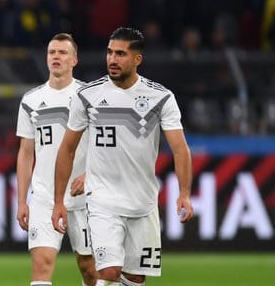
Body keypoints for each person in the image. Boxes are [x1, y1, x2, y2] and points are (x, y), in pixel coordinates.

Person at [52, 27, 194, 286]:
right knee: (107, 272)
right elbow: (67, 149)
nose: (112, 59)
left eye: (120, 54)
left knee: (135, 278)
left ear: (137, 59)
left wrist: (184, 194)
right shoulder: (88, 96)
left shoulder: (160, 98)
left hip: (143, 203)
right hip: (102, 201)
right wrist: (58, 200)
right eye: (109, 52)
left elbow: (180, 149)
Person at [15, 33, 96, 286]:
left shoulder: (89, 96)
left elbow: (103, 145)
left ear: (74, 60)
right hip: (44, 196)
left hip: (84, 196)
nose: (56, 57)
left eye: (62, 53)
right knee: (41, 265)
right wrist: (21, 200)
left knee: (90, 268)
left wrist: (89, 175)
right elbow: (26, 152)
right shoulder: (31, 100)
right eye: (52, 52)